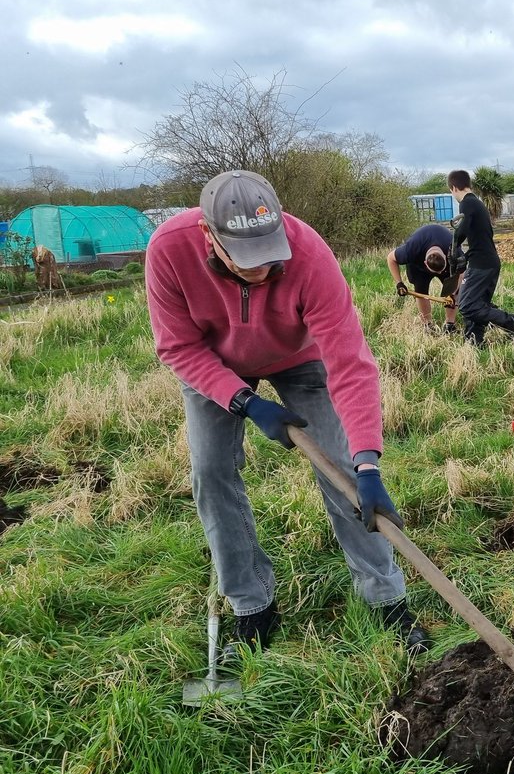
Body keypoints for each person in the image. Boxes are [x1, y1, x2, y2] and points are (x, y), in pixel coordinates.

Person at [144, 169, 430, 658]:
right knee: (212, 473)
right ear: (208, 235)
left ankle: (385, 597)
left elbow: (350, 363)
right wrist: (246, 403)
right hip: (212, 364)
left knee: (340, 465)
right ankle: (251, 603)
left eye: (268, 255)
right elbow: (177, 347)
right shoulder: (169, 249)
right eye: (246, 259)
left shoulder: (309, 253)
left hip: (299, 357)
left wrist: (368, 462)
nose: (261, 269)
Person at [447, 169, 514, 346]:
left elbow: (461, 231)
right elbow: (476, 236)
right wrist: (464, 255)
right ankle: (474, 342)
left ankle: (511, 321)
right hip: (487, 261)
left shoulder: (467, 204)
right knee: (478, 304)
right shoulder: (476, 204)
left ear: (454, 188)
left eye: (451, 191)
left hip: (482, 264)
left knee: (467, 305)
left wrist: (454, 246)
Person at [387, 223, 461, 334]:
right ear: (426, 263)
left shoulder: (453, 248)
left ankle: (449, 325)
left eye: (441, 270)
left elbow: (462, 271)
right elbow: (390, 258)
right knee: (421, 291)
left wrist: (453, 291)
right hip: (418, 266)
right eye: (437, 272)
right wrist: (399, 283)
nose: (440, 273)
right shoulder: (411, 249)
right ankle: (428, 325)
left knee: (453, 292)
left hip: (448, 263)